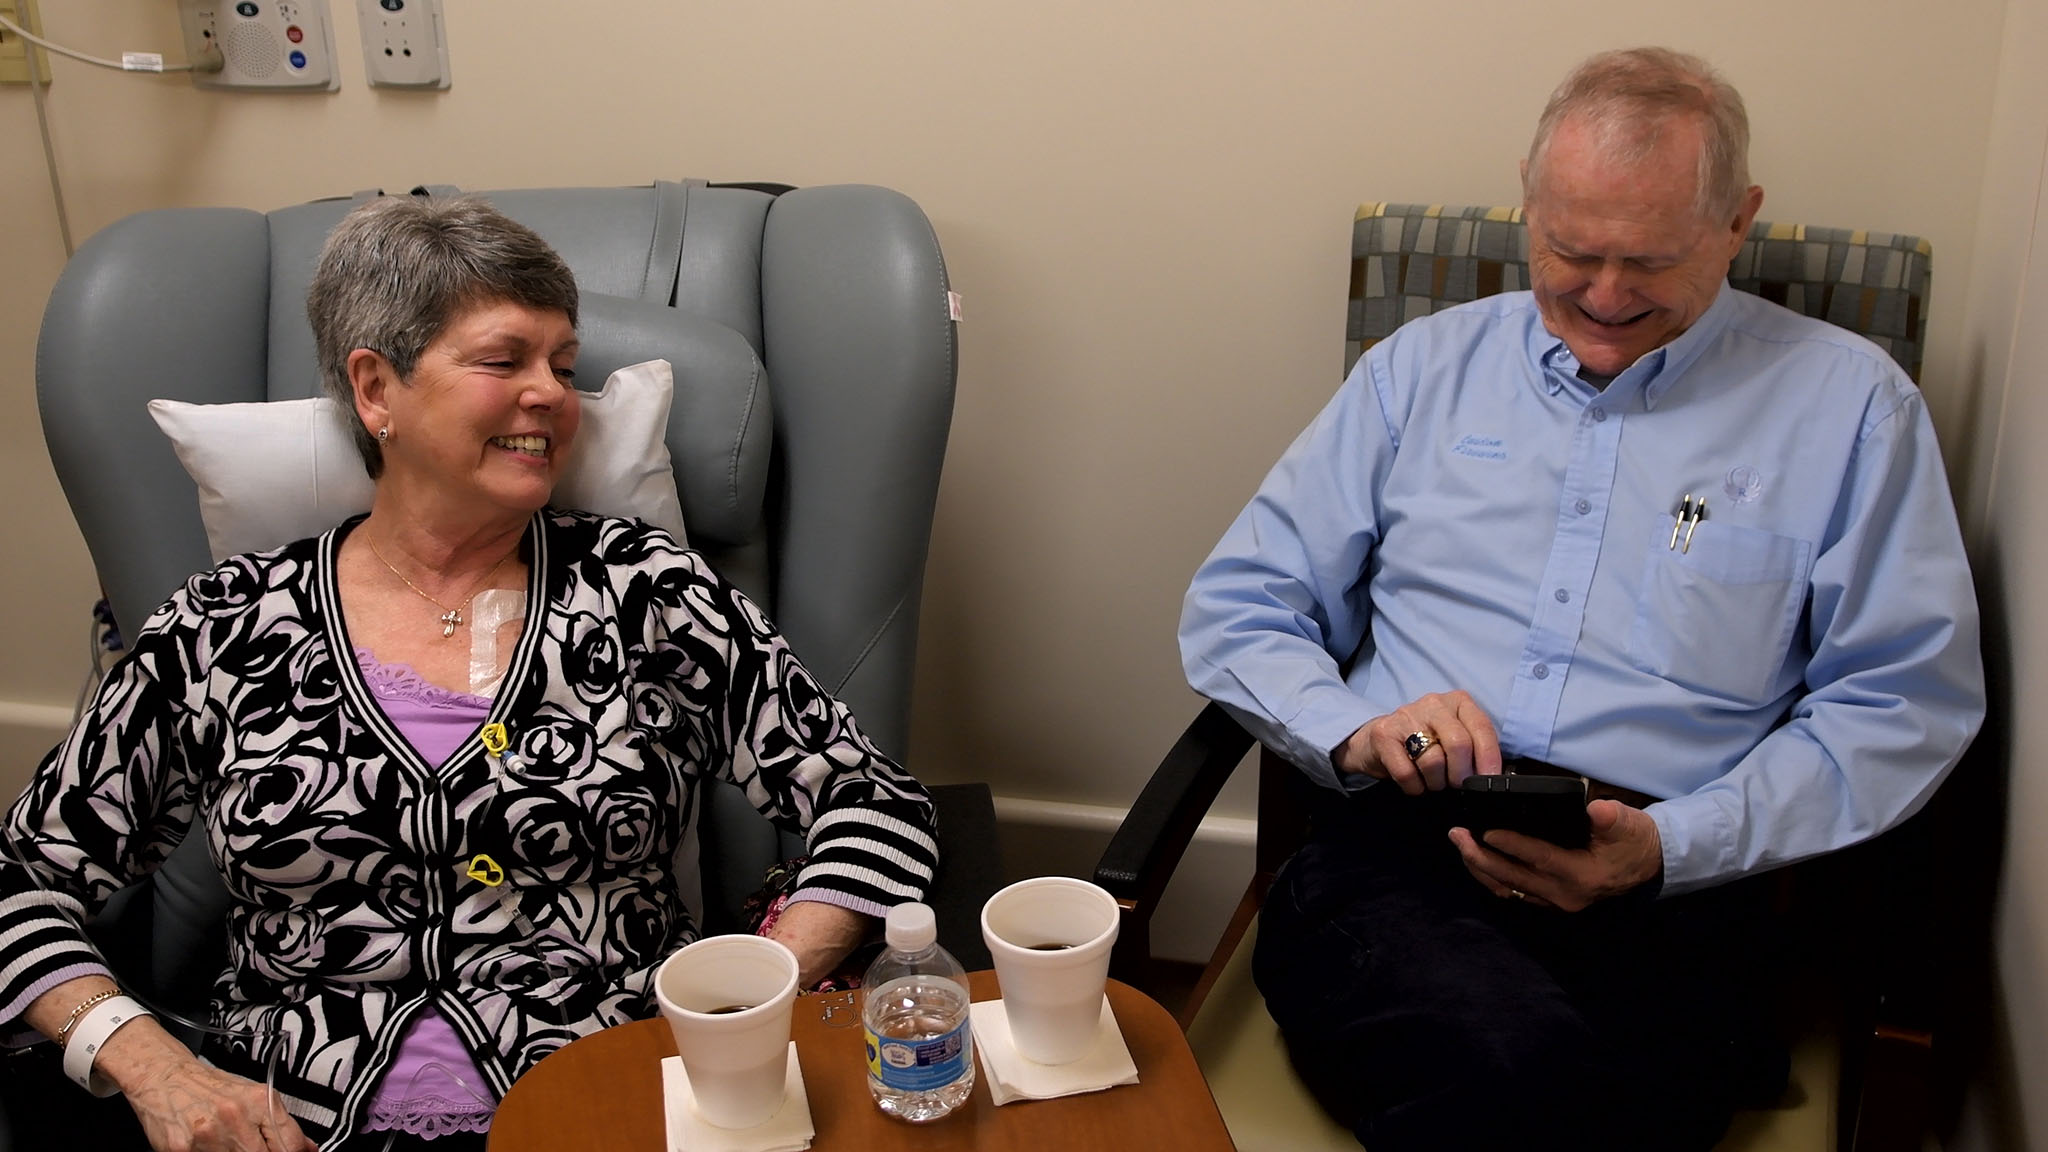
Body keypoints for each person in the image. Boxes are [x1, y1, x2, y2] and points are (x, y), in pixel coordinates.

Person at [0, 195, 939, 1151]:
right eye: (504, 361)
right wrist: (157, 1068)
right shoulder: (225, 627)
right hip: (289, 1127)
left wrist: (754, 990)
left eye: (563, 368)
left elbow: (879, 807)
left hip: (607, 1110)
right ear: (376, 391)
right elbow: (18, 882)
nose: (552, 395)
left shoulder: (644, 592)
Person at [1179, 47, 1983, 1152]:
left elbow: (1901, 703)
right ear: (1527, 200)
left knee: (1546, 1089)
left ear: (1736, 221)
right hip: (1404, 860)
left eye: (1647, 260)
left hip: (1672, 886)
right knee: (1526, 1073)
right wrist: (1358, 730)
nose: (1602, 298)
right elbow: (1239, 606)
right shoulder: (1419, 372)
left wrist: (1668, 847)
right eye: (1568, 251)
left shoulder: (1850, 409)